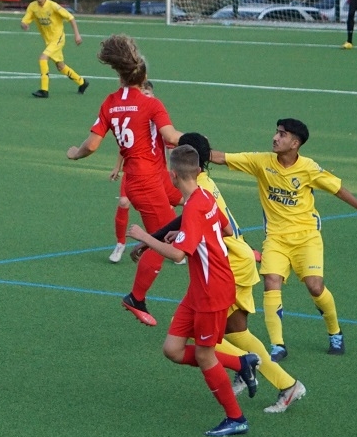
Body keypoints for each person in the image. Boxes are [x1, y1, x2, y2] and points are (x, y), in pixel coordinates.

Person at [131, 133, 307, 413]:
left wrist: (148, 238)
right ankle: (273, 379)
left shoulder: (197, 189)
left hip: (227, 266)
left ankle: (260, 374)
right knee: (235, 333)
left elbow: (190, 225)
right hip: (236, 260)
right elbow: (205, 222)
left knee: (199, 335)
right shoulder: (204, 184)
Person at [210, 119, 357, 361]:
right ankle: (277, 345)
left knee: (315, 286)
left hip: (307, 237)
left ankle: (335, 332)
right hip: (276, 238)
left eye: (282, 134)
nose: (275, 138)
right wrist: (190, 148)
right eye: (276, 132)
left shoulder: (309, 168)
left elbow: (336, 188)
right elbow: (222, 157)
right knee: (271, 281)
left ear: (295, 143)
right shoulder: (261, 162)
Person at [126, 145, 261, 437]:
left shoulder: (194, 206)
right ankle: (242, 362)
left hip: (212, 292)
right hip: (200, 289)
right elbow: (225, 229)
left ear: (172, 175)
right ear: (198, 171)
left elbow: (177, 255)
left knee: (204, 355)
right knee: (172, 350)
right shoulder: (205, 196)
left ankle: (236, 418)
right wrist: (189, 233)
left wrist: (145, 237)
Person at [67, 35, 182, 325]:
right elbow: (171, 136)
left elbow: (92, 145)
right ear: (143, 77)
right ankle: (136, 298)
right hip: (148, 183)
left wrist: (74, 153)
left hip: (149, 179)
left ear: (119, 75)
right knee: (171, 247)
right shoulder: (151, 104)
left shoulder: (110, 102)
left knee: (196, 201)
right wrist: (198, 141)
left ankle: (235, 245)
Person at [107, 80, 183, 263]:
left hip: (156, 174)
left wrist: (171, 171)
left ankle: (175, 243)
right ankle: (120, 244)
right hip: (133, 173)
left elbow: (171, 142)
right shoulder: (135, 116)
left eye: (148, 94)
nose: (145, 97)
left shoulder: (158, 121)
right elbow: (124, 146)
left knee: (182, 202)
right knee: (124, 202)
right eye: (143, 94)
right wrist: (117, 166)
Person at [20, 0, 88, 98]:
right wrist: (24, 25)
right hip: (48, 41)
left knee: (43, 58)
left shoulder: (53, 6)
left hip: (58, 38)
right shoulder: (32, 6)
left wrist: (77, 35)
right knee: (60, 66)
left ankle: (44, 90)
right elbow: (25, 21)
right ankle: (82, 82)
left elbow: (71, 18)